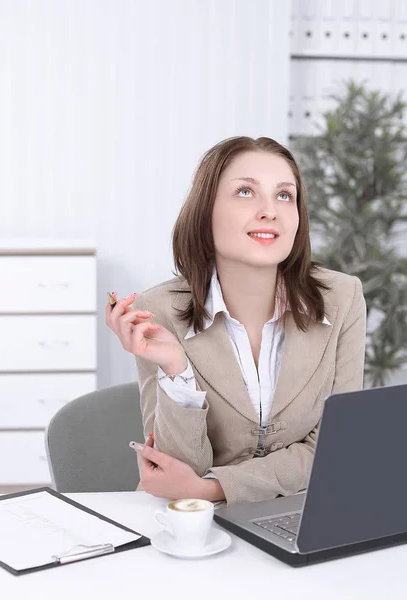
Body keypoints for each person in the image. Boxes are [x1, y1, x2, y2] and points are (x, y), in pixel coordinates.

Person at [106, 136, 366, 506]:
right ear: (206, 209)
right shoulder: (157, 310)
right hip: (187, 524)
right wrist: (176, 368)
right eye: (245, 192)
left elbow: (339, 449)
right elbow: (175, 475)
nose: (269, 211)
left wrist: (215, 488)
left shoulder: (342, 298)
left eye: (284, 195)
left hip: (301, 512)